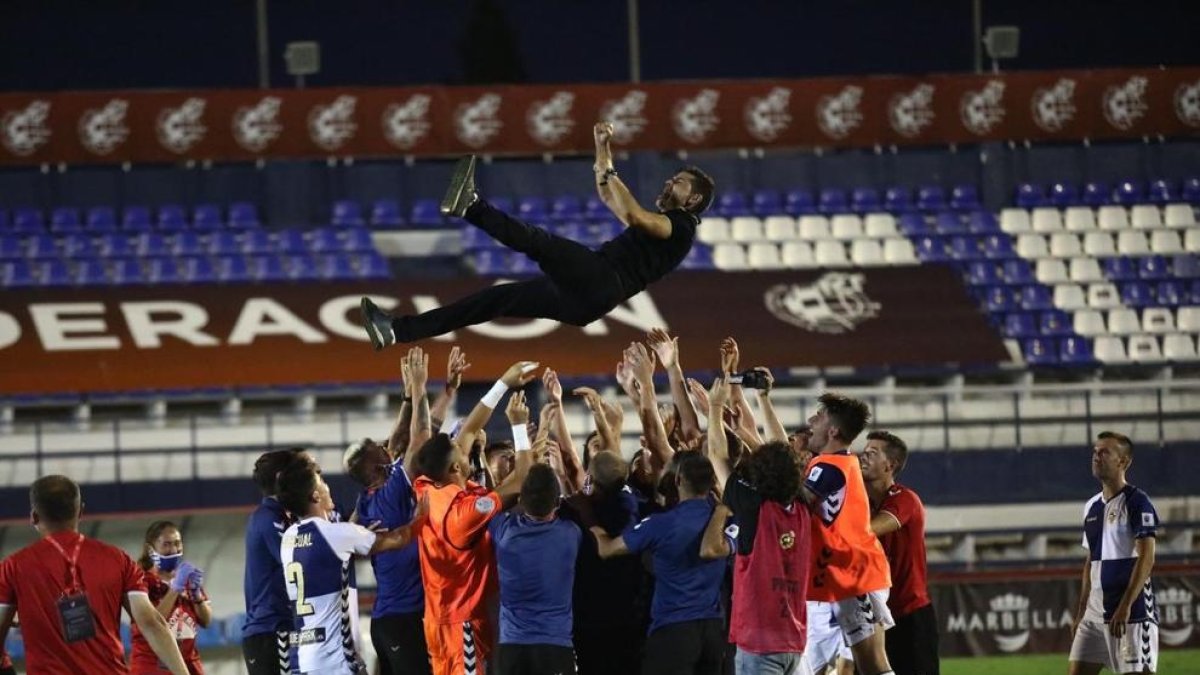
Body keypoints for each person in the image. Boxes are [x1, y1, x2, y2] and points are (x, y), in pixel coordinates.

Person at [359, 122, 715, 347]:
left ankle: (471, 207)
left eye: (678, 182)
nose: (669, 182)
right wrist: (602, 148)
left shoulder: (682, 226)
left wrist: (611, 173)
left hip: (602, 280)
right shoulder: (668, 223)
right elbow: (611, 198)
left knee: (539, 242)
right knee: (495, 299)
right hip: (587, 300)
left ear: (693, 199)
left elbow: (633, 215)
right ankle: (397, 331)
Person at [413, 361, 540, 675]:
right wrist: (519, 427)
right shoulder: (465, 513)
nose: (464, 444)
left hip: (437, 620)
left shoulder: (427, 485)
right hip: (463, 626)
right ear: (456, 467)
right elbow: (522, 480)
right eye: (459, 450)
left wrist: (503, 382)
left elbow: (469, 428)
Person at [0, 475, 189, 675]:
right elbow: (151, 623)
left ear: (34, 516)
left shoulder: (13, 568)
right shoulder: (118, 560)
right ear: (81, 511)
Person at [700, 374, 811, 675]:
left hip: (759, 646)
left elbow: (716, 455)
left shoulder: (754, 509)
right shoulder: (802, 508)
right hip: (794, 643)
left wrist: (715, 408)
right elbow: (783, 456)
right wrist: (762, 400)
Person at [276, 456, 423, 675]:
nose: (327, 486)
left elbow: (328, 555)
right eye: (321, 482)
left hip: (305, 658)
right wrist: (421, 515)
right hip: (336, 660)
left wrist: (357, 536)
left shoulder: (289, 538)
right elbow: (399, 539)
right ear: (315, 496)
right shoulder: (337, 534)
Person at [591, 451, 731, 675]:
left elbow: (607, 549)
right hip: (713, 632)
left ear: (678, 480)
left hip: (673, 631)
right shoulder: (724, 521)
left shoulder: (660, 523)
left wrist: (591, 522)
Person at [343, 348, 436, 675]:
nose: (387, 447)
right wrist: (421, 388)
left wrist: (408, 397)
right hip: (403, 620)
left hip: (389, 620)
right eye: (379, 449)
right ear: (376, 467)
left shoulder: (367, 497)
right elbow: (420, 438)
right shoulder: (391, 492)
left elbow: (398, 439)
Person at [798, 394, 895, 675]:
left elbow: (792, 503)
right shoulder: (831, 463)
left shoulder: (829, 467)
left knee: (873, 665)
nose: (811, 421)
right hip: (836, 577)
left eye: (818, 417)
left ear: (833, 430)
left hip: (855, 577)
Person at [1069, 431, 1160, 675]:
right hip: (1094, 615)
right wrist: (1081, 612)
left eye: (1104, 452)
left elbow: (1147, 558)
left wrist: (1125, 605)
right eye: (1095, 452)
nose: (1096, 457)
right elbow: (1091, 562)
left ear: (1123, 461)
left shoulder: (1137, 502)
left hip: (1131, 614)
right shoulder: (1091, 506)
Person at [489, 463, 582, 675]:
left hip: (511, 646)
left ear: (521, 499)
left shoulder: (503, 531)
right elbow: (578, 502)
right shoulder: (571, 534)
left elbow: (492, 502)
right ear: (557, 502)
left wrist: (517, 481)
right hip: (555, 646)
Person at [859, 431, 939, 675]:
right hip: (873, 615)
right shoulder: (861, 502)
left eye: (873, 453)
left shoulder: (905, 499)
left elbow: (868, 531)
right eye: (865, 451)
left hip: (909, 615)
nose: (863, 456)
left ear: (890, 465)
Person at [242, 448, 313, 675]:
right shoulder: (267, 517)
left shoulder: (284, 515)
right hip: (270, 631)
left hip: (282, 627)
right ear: (282, 477)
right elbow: (297, 560)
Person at [130, 521, 212, 675]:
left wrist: (196, 595)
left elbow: (206, 621)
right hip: (152, 667)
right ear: (150, 549)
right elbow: (152, 623)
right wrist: (175, 589)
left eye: (177, 543)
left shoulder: (186, 577)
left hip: (188, 665)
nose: (173, 550)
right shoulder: (141, 581)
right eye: (166, 545)